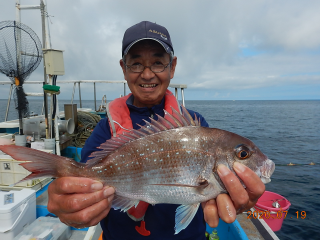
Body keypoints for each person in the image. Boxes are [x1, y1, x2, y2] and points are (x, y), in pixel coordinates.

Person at [47, 21, 265, 239]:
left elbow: (206, 197)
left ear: (172, 66)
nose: (148, 74)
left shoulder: (197, 124)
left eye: (158, 63)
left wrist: (236, 199)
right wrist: (74, 207)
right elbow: (86, 188)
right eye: (137, 64)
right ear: (124, 69)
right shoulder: (105, 130)